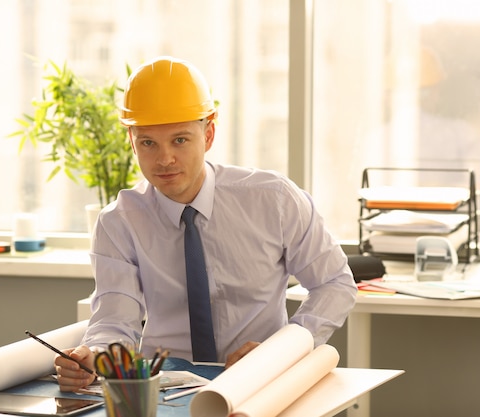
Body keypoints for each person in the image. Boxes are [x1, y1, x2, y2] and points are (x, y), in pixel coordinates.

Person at [54, 56, 357, 391]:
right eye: (148, 143)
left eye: (180, 140)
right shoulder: (118, 222)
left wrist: (281, 352)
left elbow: (334, 283)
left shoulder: (274, 199)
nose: (165, 159)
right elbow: (115, 320)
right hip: (164, 386)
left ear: (208, 134)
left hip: (263, 381)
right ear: (132, 142)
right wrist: (95, 356)